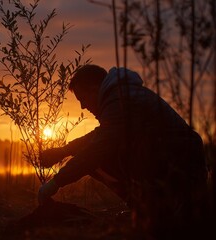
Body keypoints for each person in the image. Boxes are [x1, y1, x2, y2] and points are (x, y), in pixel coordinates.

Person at [38, 64, 210, 237]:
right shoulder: (121, 95)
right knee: (94, 151)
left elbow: (98, 148)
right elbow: (99, 137)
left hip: (183, 173)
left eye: (83, 98)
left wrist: (56, 183)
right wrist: (63, 151)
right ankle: (148, 210)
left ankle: (149, 211)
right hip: (179, 167)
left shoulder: (120, 99)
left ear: (94, 88)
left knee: (95, 157)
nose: (83, 106)